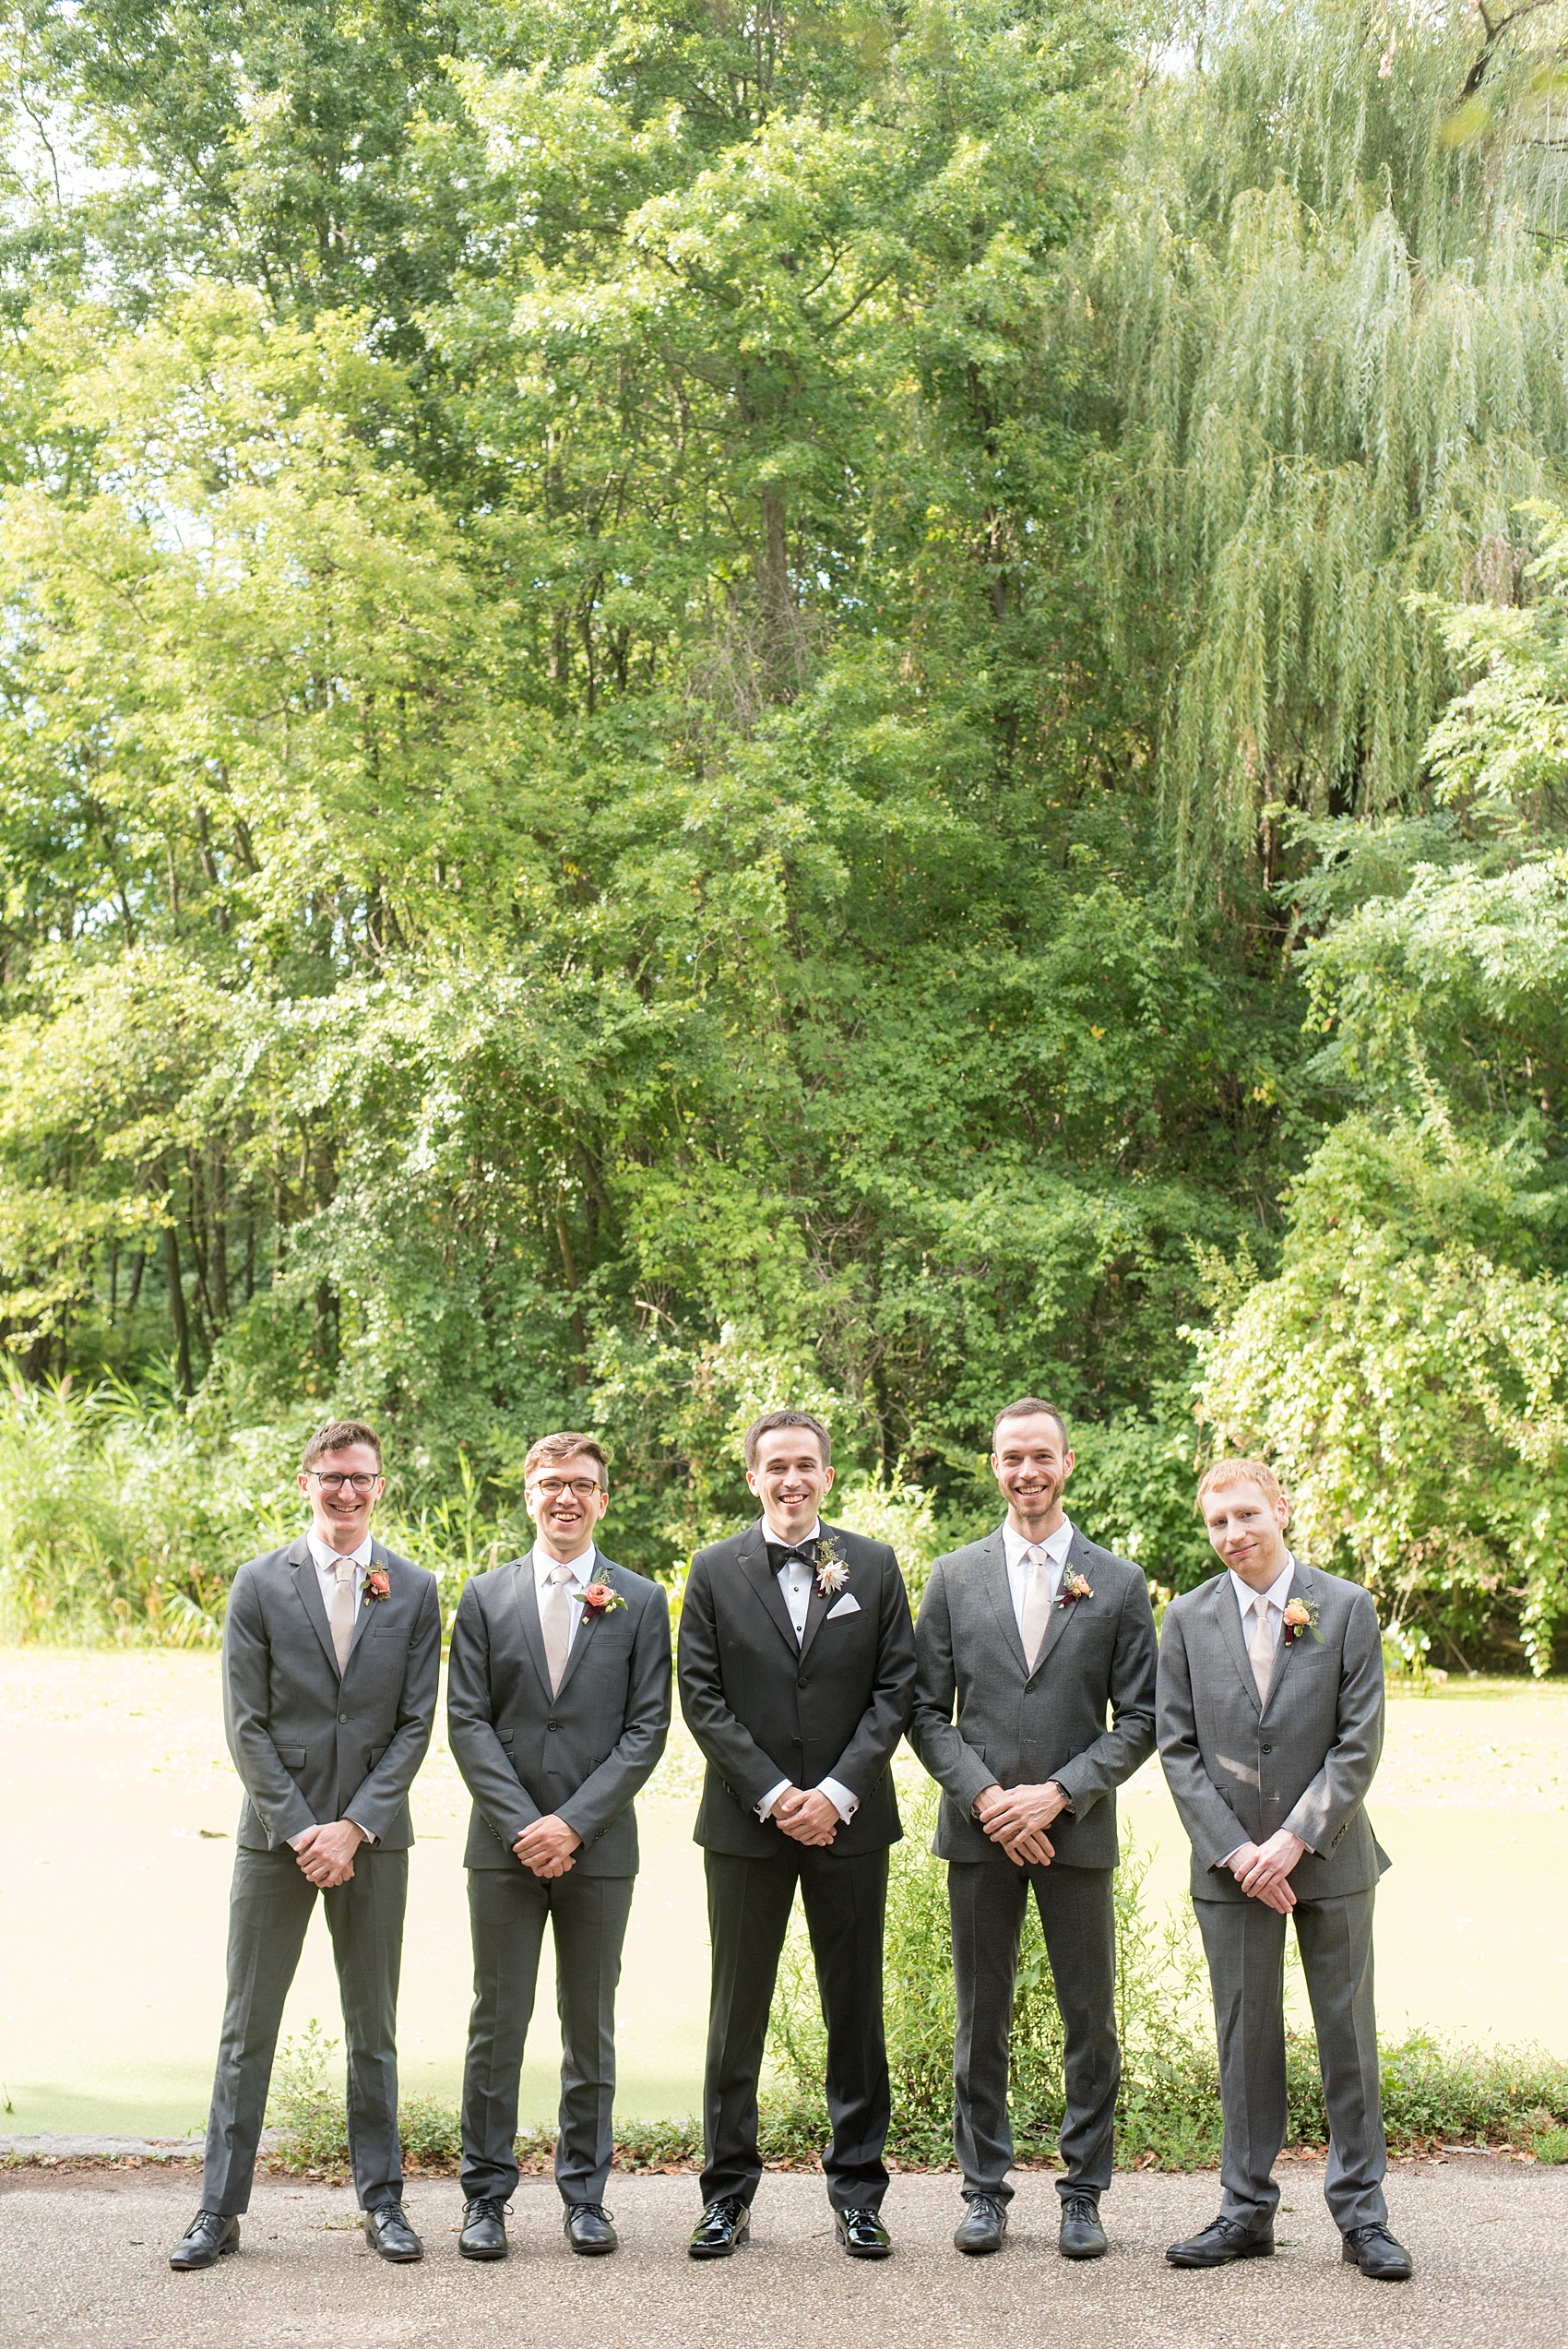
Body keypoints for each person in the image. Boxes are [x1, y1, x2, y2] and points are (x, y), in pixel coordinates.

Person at [171, 1420, 441, 2271]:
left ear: (381, 1486)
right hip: (273, 1841)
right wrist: (302, 1831)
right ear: (306, 1483)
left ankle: (384, 2203)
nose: (348, 1492)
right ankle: (219, 2208)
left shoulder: (415, 1587)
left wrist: (354, 1826)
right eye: (333, 1477)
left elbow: (413, 1724)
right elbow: (245, 1726)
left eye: (362, 1478)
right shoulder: (258, 1585)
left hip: (373, 1840)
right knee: (246, 2026)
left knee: (375, 2027)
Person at [909, 1398, 1158, 2260]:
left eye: (1040, 1457)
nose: (1026, 1472)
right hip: (979, 1833)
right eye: (1011, 1457)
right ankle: (984, 2190)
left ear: (1067, 1463)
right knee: (982, 2014)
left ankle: (1083, 2193)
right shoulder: (953, 1576)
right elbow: (923, 1712)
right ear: (993, 1467)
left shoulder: (1117, 1581)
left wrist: (1055, 1794)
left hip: (1073, 1831)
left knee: (1090, 2017)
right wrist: (986, 1799)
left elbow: (1141, 1718)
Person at [1156, 1457, 1411, 2282]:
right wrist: (1237, 1851)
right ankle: (1245, 2212)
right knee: (1244, 2037)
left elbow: (1358, 1742)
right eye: (1217, 1523)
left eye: (1246, 1516)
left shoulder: (1346, 1607)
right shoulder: (1188, 1619)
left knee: (1348, 2038)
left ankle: (1363, 2218)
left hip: (1329, 1859)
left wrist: (1295, 1839)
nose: (1233, 1535)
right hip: (1230, 1869)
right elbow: (1178, 1748)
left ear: (1281, 1509)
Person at [676, 1409, 917, 2260]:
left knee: (854, 2012)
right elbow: (701, 1697)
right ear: (752, 1478)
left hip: (850, 1827)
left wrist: (838, 1793)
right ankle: (726, 2197)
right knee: (736, 2013)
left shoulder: (875, 1567)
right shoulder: (711, 1571)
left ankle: (858, 2194)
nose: (791, 1480)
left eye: (805, 1465)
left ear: (826, 1474)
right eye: (775, 1466)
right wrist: (778, 1794)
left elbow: (897, 1691)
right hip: (747, 1828)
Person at [445, 1431, 671, 2261]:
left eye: (581, 1484)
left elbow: (648, 1728)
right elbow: (466, 1720)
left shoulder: (640, 1601)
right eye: (550, 1483)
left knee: (591, 2024)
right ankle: (485, 2198)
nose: (565, 1497)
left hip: (600, 1849)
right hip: (502, 1850)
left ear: (603, 1499)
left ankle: (585, 2197)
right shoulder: (483, 1596)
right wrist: (523, 1826)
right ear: (528, 1495)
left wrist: (573, 1823)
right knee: (496, 2023)